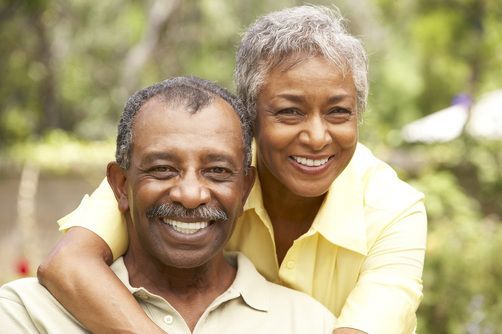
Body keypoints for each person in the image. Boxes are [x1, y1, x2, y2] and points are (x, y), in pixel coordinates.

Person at [38, 5, 427, 334]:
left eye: (338, 112)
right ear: (248, 117)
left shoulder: (393, 210)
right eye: (289, 111)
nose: (316, 136)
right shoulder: (190, 176)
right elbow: (68, 263)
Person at [0, 77, 336, 333]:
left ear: (245, 187)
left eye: (217, 171)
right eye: (162, 169)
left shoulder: (307, 323)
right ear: (120, 184)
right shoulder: (27, 314)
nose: (190, 195)